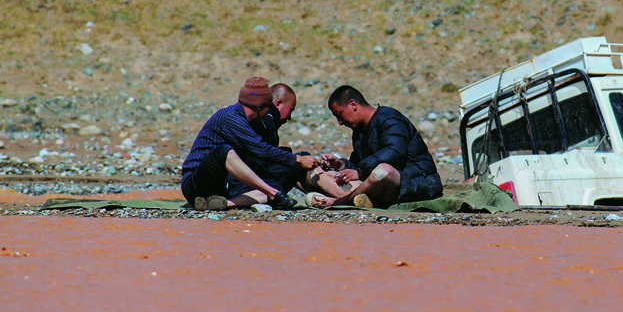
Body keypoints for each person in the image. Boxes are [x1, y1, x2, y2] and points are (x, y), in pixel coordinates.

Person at [180, 77, 320, 210]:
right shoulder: (231, 117)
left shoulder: (245, 120)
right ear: (260, 108)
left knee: (273, 185)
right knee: (223, 151)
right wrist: (297, 159)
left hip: (221, 188)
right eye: (268, 108)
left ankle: (222, 203)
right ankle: (272, 194)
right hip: (196, 184)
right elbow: (260, 148)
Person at [309, 85, 443, 208]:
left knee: (383, 171)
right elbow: (359, 165)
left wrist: (360, 172)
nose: (339, 122)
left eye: (339, 114)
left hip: (419, 182)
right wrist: (340, 166)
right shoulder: (359, 131)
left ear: (353, 104)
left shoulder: (389, 118)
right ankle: (362, 199)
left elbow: (394, 153)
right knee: (321, 173)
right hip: (380, 185)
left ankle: (339, 201)